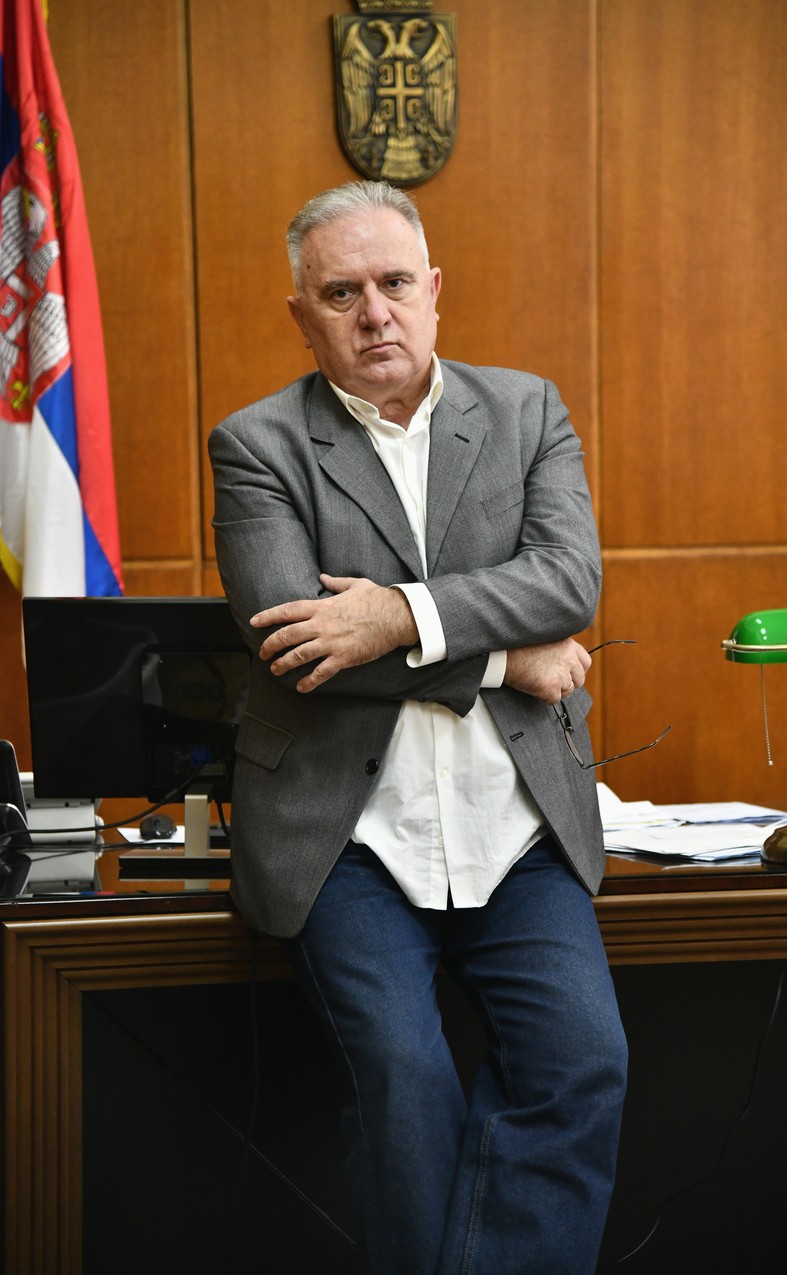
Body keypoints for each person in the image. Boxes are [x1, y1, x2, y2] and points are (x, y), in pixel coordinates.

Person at [208, 180, 627, 1275]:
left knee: (582, 1064)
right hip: (347, 840)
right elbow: (296, 645)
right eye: (340, 294)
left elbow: (568, 582)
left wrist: (393, 614)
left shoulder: (527, 411)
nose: (375, 314)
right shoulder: (256, 445)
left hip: (518, 828)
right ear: (301, 316)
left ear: (434, 289)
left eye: (394, 283)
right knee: (405, 1084)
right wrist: (503, 656)